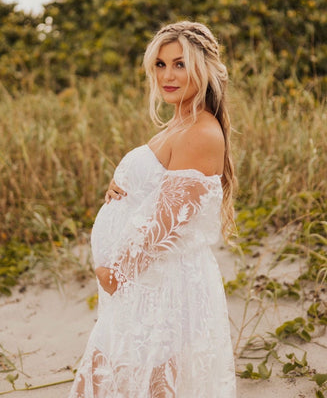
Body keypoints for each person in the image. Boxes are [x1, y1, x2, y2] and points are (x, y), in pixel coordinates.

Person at [68, 21, 237, 398]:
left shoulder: (200, 132)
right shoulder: (178, 123)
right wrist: (120, 193)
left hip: (163, 290)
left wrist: (113, 273)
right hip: (144, 284)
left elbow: (166, 227)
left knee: (148, 386)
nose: (168, 75)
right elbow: (157, 198)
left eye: (180, 64)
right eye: (160, 65)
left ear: (204, 69)